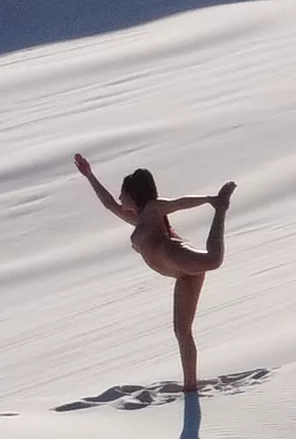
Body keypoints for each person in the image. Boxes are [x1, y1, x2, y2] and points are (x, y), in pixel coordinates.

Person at [74, 154, 236, 393]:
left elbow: (178, 203)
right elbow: (109, 204)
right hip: (181, 274)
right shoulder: (138, 218)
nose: (120, 197)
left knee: (213, 260)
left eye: (123, 192)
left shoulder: (152, 209)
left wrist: (211, 200)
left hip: (173, 253)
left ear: (133, 193)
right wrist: (89, 175)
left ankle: (222, 209)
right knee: (181, 330)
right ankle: (190, 386)